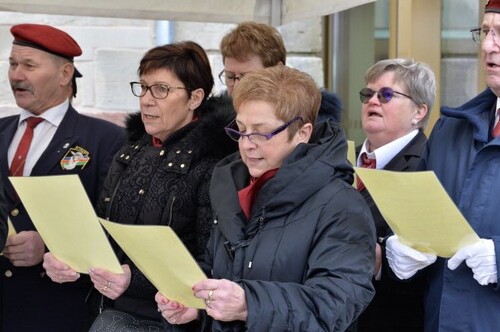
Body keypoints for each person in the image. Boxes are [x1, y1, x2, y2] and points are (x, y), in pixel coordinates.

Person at [156, 65, 376, 331]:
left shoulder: (342, 206)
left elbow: (335, 304)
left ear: (303, 133)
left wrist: (249, 304)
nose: (247, 143)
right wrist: (196, 304)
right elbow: (220, 271)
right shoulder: (232, 186)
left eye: (261, 132)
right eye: (240, 129)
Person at [43, 40, 238, 328]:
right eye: (144, 87)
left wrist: (133, 279)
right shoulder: (131, 150)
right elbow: (103, 231)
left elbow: (215, 262)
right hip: (108, 308)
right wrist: (68, 258)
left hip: (171, 319)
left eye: (162, 90)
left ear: (195, 98)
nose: (146, 99)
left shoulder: (216, 162)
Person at [0, 24, 125, 332]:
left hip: (57, 309)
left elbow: (112, 223)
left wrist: (48, 244)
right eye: (13, 64)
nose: (16, 75)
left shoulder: (106, 139)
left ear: (65, 74)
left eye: (29, 65)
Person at [385, 1, 500, 331]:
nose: (490, 45)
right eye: (486, 32)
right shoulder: (450, 130)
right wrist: (398, 244)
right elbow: (415, 214)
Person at [355, 58, 436, 332]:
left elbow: (427, 260)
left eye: (386, 95)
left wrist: (381, 257)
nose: (373, 101)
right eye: (368, 94)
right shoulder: (344, 159)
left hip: (390, 318)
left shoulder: (428, 165)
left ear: (419, 112)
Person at [218, 21, 342, 123]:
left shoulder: (317, 127)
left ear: (278, 70)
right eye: (230, 76)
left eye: (247, 78)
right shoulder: (216, 125)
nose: (237, 86)